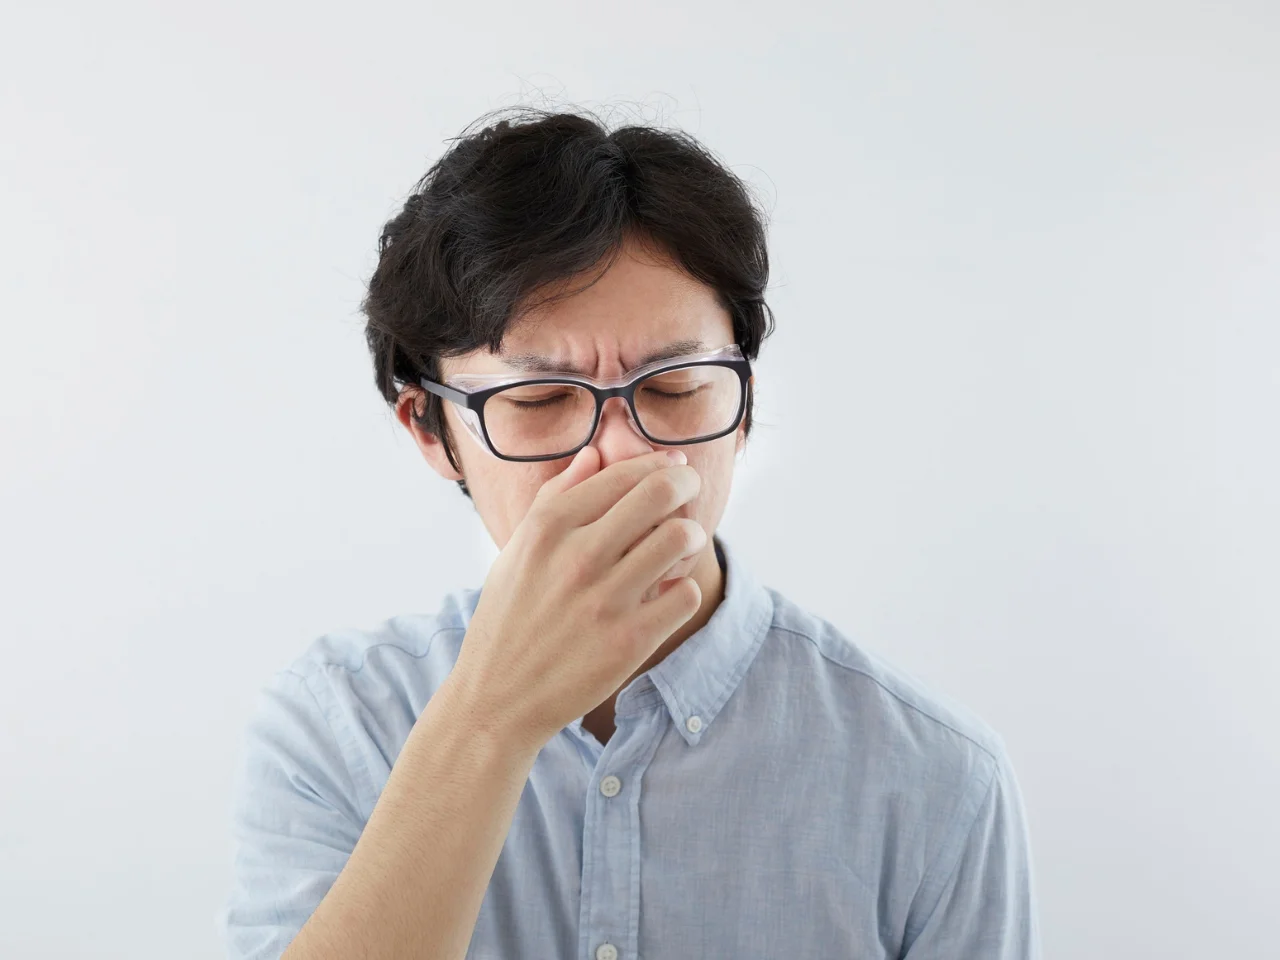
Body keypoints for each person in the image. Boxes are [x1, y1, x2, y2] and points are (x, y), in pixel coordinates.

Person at [219, 106, 1042, 960]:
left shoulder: (937, 778)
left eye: (678, 388)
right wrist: (490, 719)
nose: (622, 451)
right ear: (431, 430)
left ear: (745, 409)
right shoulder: (336, 729)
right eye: (539, 401)